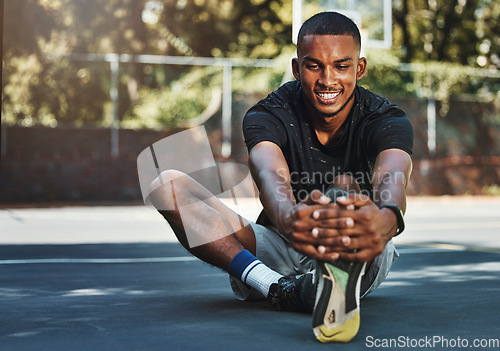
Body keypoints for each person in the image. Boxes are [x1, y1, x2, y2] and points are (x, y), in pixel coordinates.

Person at [147, 11, 413, 343]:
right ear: (296, 68)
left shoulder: (385, 119)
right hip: (283, 243)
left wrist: (387, 220)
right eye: (314, 65)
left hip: (355, 239)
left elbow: (394, 177)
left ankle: (334, 275)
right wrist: (288, 217)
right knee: (165, 184)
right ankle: (274, 285)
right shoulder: (270, 113)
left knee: (343, 191)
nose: (328, 80)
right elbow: (268, 173)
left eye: (341, 66)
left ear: (359, 68)